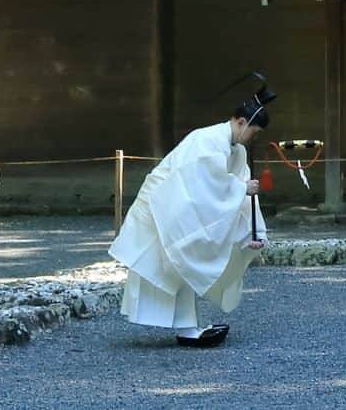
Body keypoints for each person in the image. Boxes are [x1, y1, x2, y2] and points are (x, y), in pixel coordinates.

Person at [109, 84, 276, 347]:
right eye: (253, 133)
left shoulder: (236, 150)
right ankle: (187, 329)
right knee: (174, 261)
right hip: (164, 203)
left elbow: (236, 190)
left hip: (181, 209)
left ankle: (187, 328)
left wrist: (252, 233)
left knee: (182, 260)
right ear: (241, 122)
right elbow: (208, 184)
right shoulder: (206, 140)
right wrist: (242, 188)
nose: (251, 139)